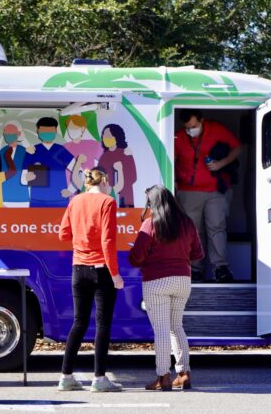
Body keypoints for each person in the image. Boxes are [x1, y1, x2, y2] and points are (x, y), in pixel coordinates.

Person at [129, 185, 203, 391]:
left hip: (157, 282)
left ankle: (163, 377)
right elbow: (198, 254)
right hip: (183, 280)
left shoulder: (150, 224)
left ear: (152, 204)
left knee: (161, 330)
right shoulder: (187, 223)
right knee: (176, 327)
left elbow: (136, 258)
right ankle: (184, 373)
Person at [57, 167, 125, 393]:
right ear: (104, 180)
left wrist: (82, 237)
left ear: (87, 182)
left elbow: (63, 234)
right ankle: (99, 379)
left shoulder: (75, 201)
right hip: (101, 269)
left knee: (79, 322)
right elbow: (108, 240)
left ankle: (66, 377)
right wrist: (115, 273)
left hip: (78, 268)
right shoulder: (108, 202)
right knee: (102, 324)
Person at [175, 109, 241, 282]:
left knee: (216, 227)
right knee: (194, 231)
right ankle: (195, 269)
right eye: (187, 128)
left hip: (215, 191)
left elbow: (237, 147)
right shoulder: (179, 137)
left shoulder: (217, 129)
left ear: (202, 120)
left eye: (194, 126)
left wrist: (222, 163)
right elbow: (171, 159)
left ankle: (221, 268)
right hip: (188, 192)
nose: (191, 131)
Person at [22, 117, 81, 207]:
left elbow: (79, 172)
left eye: (50, 131)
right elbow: (23, 179)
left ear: (55, 131)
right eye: (44, 131)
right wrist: (27, 178)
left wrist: (71, 190)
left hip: (60, 201)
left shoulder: (60, 151)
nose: (47, 134)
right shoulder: (32, 151)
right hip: (37, 201)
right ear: (38, 131)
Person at [97, 124, 137, 207]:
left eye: (108, 135)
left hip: (126, 199)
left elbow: (133, 177)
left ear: (116, 137)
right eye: (104, 135)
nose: (105, 138)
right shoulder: (104, 157)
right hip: (108, 198)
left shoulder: (126, 153)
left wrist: (120, 173)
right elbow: (99, 178)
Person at [63, 115, 103, 190]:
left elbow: (105, 153)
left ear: (83, 128)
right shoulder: (64, 147)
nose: (71, 131)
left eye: (74, 128)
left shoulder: (92, 144)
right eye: (69, 128)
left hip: (89, 187)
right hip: (69, 186)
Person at [0, 122, 30, 207]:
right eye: (6, 133)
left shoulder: (24, 152)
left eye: (12, 133)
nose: (9, 135)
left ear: (18, 134)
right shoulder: (1, 152)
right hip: (5, 195)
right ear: (4, 134)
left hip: (22, 196)